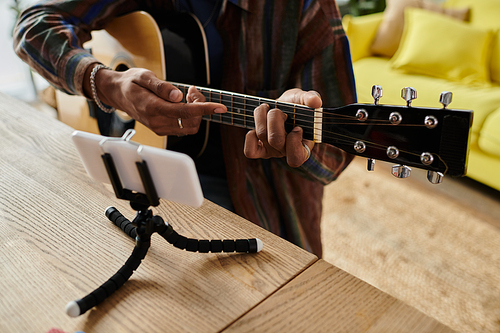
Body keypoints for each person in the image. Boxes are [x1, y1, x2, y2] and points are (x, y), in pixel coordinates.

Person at [13, 0, 356, 257]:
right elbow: (33, 25)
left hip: (257, 203)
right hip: (136, 167)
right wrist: (105, 83)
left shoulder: (308, 8)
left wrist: (302, 137)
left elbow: (340, 150)